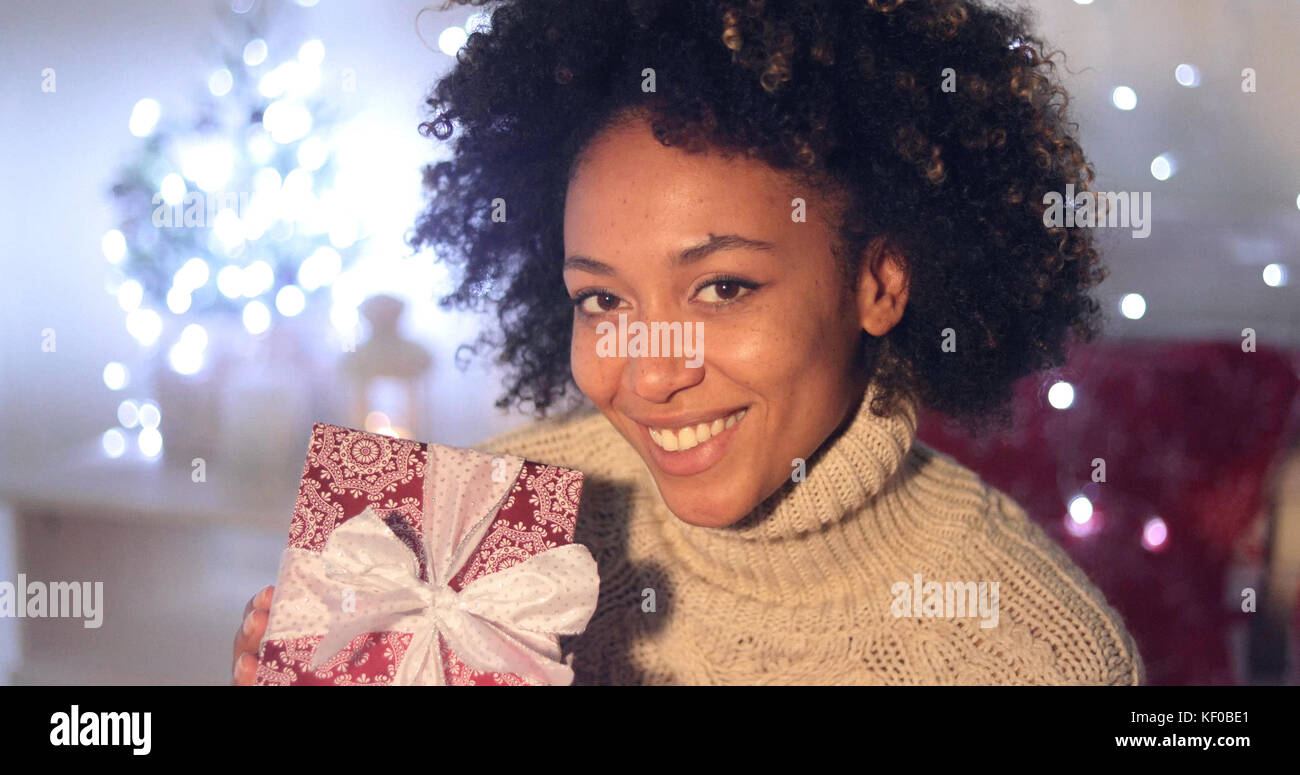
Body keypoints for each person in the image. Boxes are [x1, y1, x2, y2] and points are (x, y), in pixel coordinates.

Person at [234, 0, 1143, 685]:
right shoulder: (469, 541)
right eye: (600, 299)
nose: (649, 372)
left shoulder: (1032, 653)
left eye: (723, 287)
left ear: (878, 282)